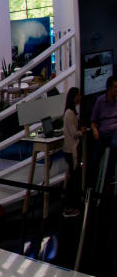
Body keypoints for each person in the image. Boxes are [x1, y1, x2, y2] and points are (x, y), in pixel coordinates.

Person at [63, 87, 82, 218]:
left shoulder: (71, 112)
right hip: (70, 151)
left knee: (73, 178)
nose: (80, 97)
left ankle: (71, 205)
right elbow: (74, 133)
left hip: (70, 150)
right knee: (73, 180)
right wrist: (82, 132)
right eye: (78, 95)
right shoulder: (70, 114)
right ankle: (69, 207)